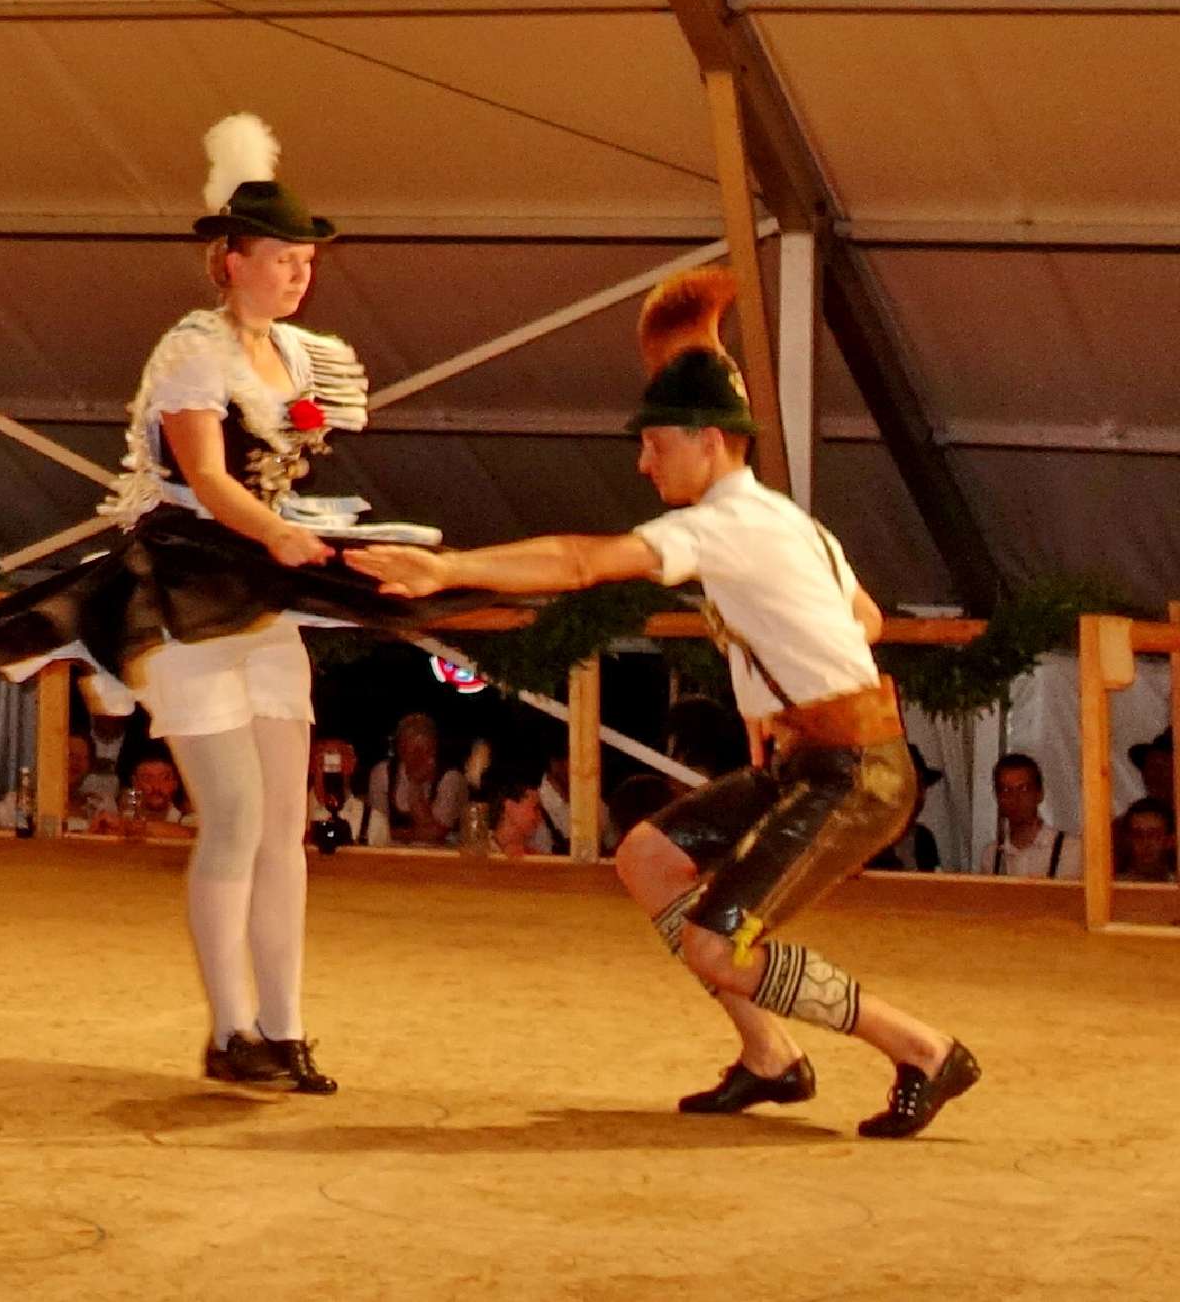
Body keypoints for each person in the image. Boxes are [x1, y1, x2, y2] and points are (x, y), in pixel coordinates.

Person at [352, 268, 979, 1138]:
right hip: (817, 760)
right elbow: (863, 620)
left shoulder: (730, 524)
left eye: (654, 444)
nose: (643, 462)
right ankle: (771, 1057)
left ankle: (925, 1050)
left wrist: (447, 567)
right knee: (648, 857)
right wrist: (787, 692)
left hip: (856, 774)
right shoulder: (785, 524)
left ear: (708, 441)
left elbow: (580, 563)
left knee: (718, 944)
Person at [0, 114, 481, 1094]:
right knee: (234, 815)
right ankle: (229, 1030)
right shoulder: (192, 353)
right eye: (281, 258)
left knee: (284, 822)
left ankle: (284, 1028)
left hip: (262, 594)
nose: (298, 274)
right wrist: (275, 530)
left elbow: (273, 482)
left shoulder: (301, 356)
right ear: (230, 262)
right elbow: (204, 475)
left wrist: (301, 533)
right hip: (186, 588)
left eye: (306, 260)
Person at [364, 711, 466, 846]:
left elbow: (434, 835)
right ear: (400, 750)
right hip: (392, 853)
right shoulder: (382, 774)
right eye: (414, 751)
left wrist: (415, 786)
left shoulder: (451, 778)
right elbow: (377, 828)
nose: (419, 758)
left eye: (427, 751)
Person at [0, 729, 118, 832]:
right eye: (69, 755)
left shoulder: (100, 805)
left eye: (82, 758)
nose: (75, 762)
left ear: (90, 767)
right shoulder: (18, 804)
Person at [984, 753, 1080, 880]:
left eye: (1024, 789)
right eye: (1006, 790)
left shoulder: (1071, 851)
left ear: (1039, 794)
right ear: (997, 797)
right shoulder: (991, 857)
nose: (1015, 798)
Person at [1117, 796, 1177, 884]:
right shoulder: (1112, 887)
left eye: (1154, 834)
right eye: (1137, 834)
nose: (1146, 842)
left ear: (1169, 840)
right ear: (1128, 839)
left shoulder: (1176, 886)